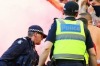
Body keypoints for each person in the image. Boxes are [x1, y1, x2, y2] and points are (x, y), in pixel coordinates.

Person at [38, 1, 97, 66]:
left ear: (63, 12)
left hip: (59, 63)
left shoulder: (57, 24)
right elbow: (92, 54)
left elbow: (46, 48)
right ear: (77, 14)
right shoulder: (82, 26)